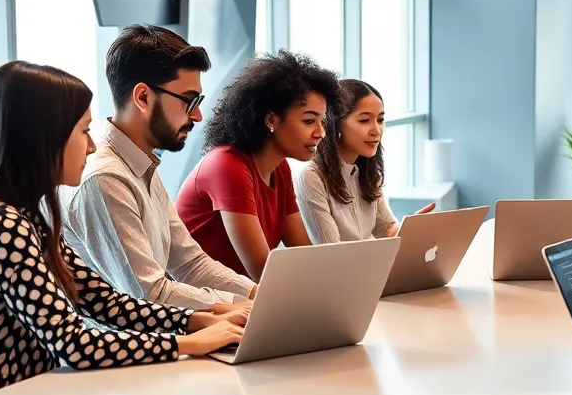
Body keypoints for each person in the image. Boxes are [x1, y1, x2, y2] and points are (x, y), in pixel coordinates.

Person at [0, 61, 245, 395]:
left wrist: (201, 319)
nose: (91, 147)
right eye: (83, 131)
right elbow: (72, 342)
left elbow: (105, 303)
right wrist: (188, 342)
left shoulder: (28, 219)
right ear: (41, 139)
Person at [64, 24, 257, 310]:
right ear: (143, 97)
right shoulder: (105, 178)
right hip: (125, 349)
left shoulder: (142, 166)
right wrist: (244, 305)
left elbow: (191, 264)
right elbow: (147, 294)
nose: (199, 115)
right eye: (189, 101)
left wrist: (258, 295)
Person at [175, 50, 337, 279]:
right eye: (309, 121)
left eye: (322, 121)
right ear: (271, 120)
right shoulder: (227, 165)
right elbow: (262, 270)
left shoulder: (280, 169)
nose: (320, 133)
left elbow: (303, 252)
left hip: (238, 299)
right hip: (201, 305)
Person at [294, 79, 434, 243]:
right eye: (364, 120)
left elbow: (387, 228)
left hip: (376, 263)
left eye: (380, 120)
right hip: (344, 267)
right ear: (336, 125)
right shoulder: (311, 176)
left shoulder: (368, 170)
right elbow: (330, 251)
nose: (377, 131)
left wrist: (412, 227)